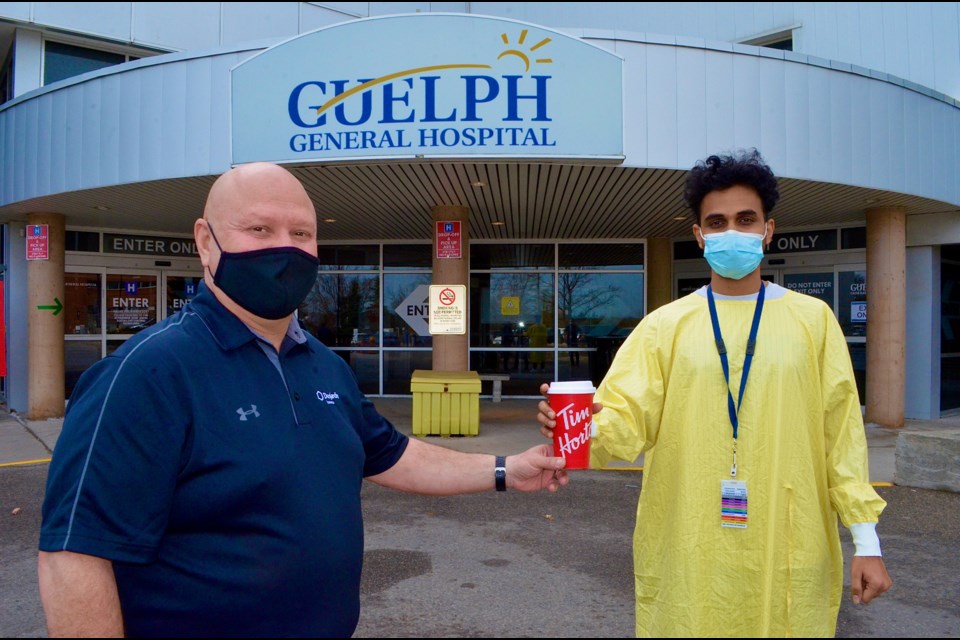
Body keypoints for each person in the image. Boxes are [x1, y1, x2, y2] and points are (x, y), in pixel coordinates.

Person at [38, 162, 569, 638]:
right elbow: (74, 552)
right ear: (206, 241)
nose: (284, 249)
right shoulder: (146, 373)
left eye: (301, 234)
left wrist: (506, 469)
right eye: (260, 229)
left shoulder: (324, 365)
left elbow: (391, 454)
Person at [537, 149, 891, 637]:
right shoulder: (665, 327)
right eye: (717, 221)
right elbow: (624, 423)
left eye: (746, 219)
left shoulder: (813, 321)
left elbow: (842, 436)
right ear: (699, 235)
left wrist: (866, 542)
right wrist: (578, 426)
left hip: (789, 541)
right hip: (689, 543)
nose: (732, 232)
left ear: (768, 230)